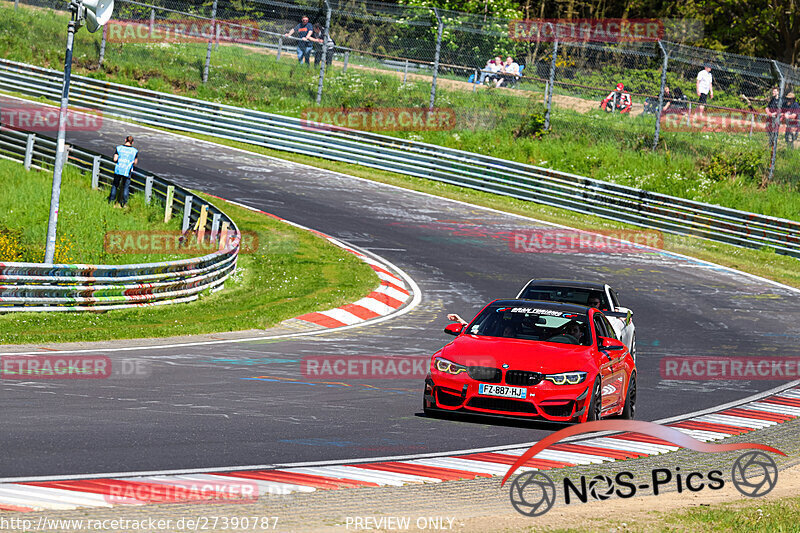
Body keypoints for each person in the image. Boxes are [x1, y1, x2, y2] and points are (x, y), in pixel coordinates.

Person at [108, 136, 138, 208]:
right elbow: (135, 162)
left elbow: (115, 159)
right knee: (126, 187)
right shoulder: (134, 151)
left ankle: (111, 201)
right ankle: (124, 204)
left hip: (118, 169)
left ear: (125, 140)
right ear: (132, 142)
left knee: (115, 185)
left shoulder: (119, 148)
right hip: (127, 171)